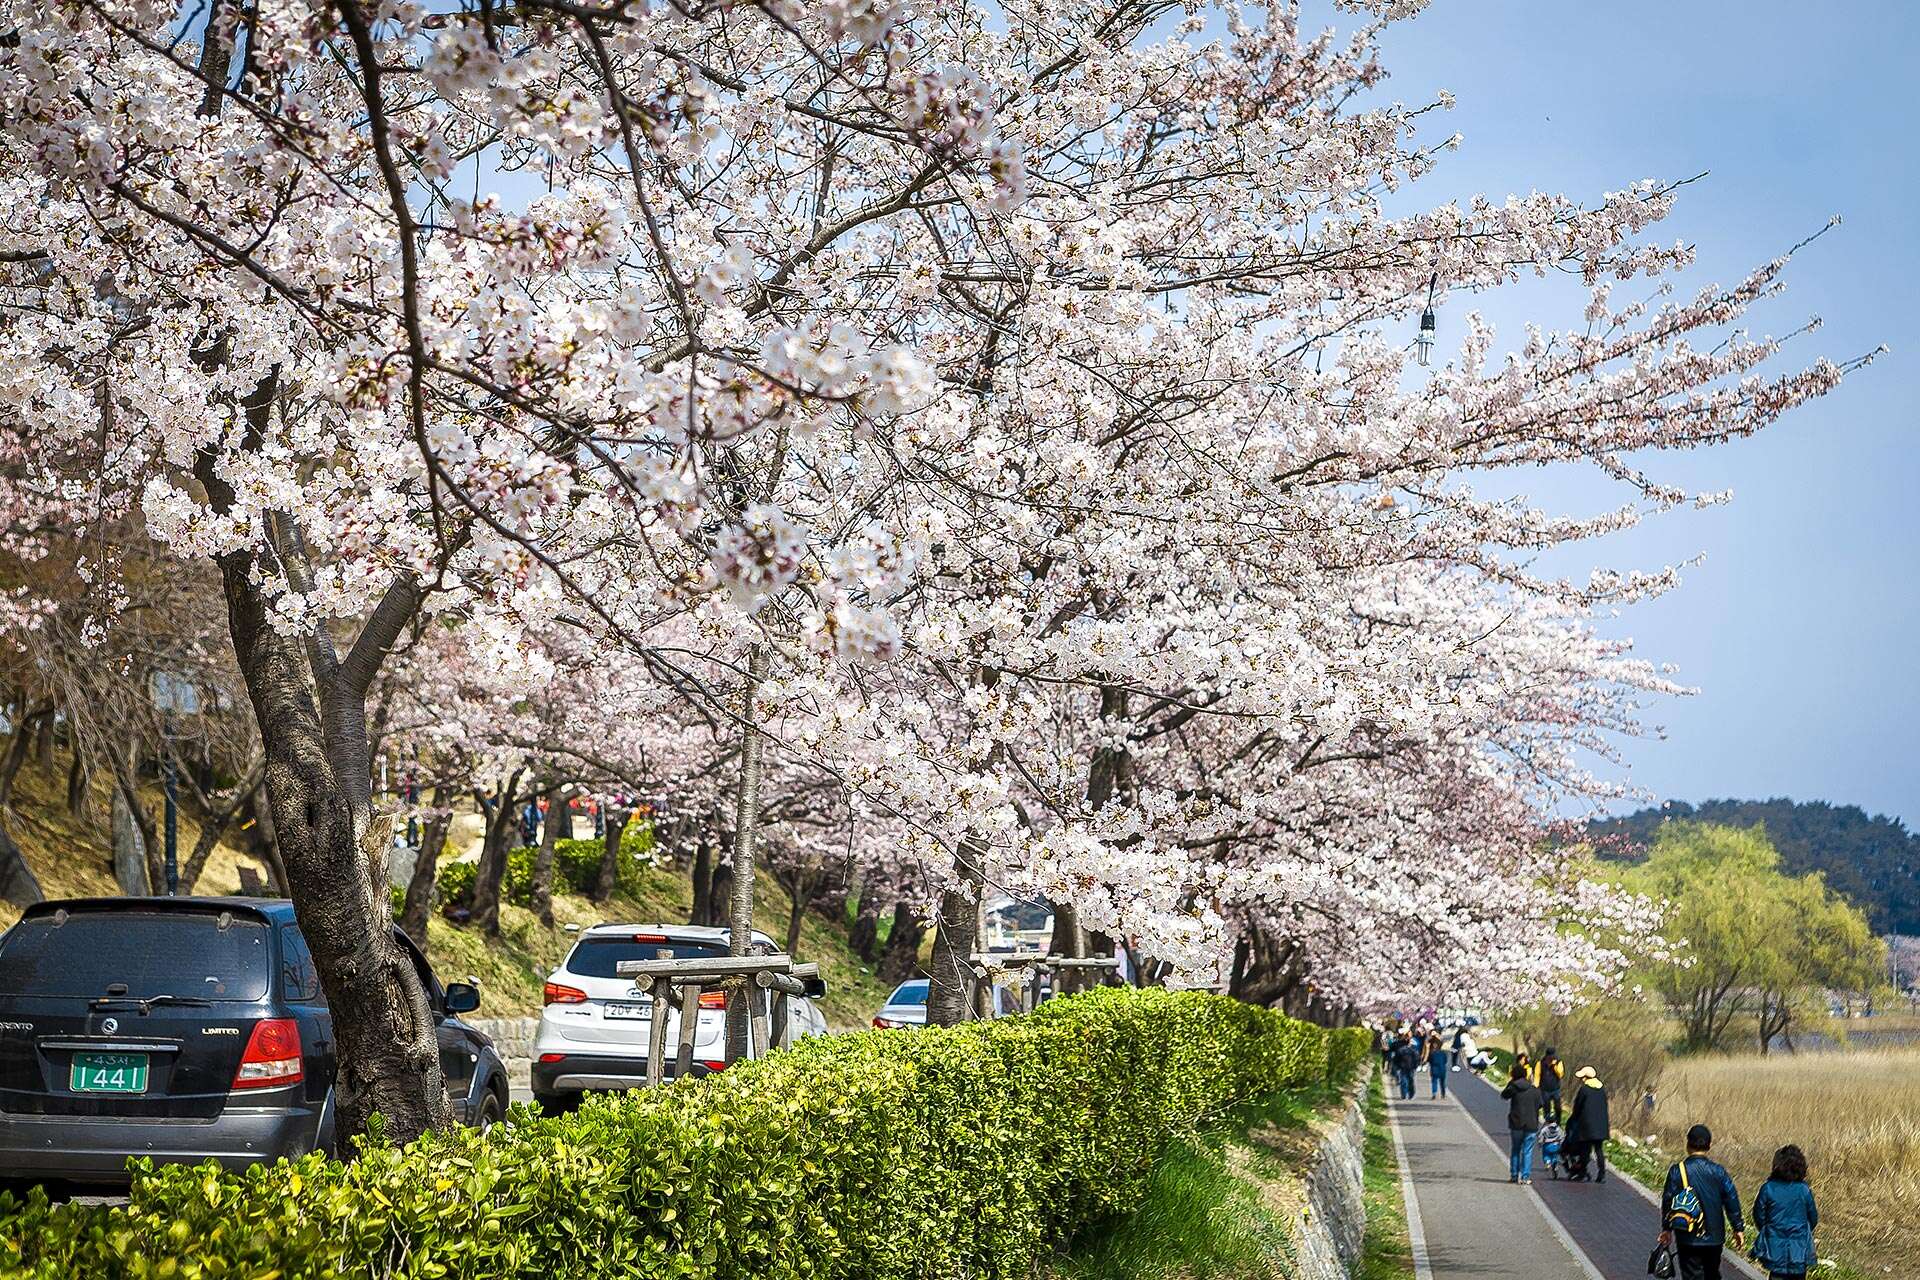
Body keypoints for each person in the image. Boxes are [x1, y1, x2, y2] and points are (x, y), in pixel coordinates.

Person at [1661, 1124, 1745, 1280]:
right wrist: (1737, 1227)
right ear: (1709, 1145)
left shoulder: (1677, 1171)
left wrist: (1666, 1228)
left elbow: (1668, 1201)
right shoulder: (1718, 1171)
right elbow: (1731, 1198)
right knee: (1712, 1273)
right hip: (1714, 1236)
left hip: (1687, 1235)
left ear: (1687, 1144)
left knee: (1691, 1275)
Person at [1751, 1144, 1817, 1280]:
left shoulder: (1768, 1188)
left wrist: (1767, 1229)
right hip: (1799, 1249)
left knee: (1776, 1275)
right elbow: (1813, 1217)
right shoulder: (1804, 1190)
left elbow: (1758, 1214)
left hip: (1775, 1247)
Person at [1563, 1065, 1610, 1183]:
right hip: (1601, 1124)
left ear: (1585, 1077)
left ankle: (1582, 1172)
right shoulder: (1601, 1088)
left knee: (1585, 1149)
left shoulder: (1584, 1089)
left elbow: (1577, 1107)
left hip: (1586, 1125)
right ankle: (1602, 1174)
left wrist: (1573, 1120)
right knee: (1599, 1149)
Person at [1501, 1063, 1543, 1183]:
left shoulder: (1513, 1088)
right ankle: (1525, 1176)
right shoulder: (1534, 1090)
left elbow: (1504, 1095)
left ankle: (1514, 1175)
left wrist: (1510, 1083)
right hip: (1531, 1123)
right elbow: (1541, 1104)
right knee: (1528, 1150)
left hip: (1516, 1123)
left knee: (1515, 1150)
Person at [1536, 1046, 1566, 1123]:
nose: (1551, 1059)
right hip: (1544, 1089)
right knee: (1546, 1107)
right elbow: (1537, 1075)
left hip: (1555, 1089)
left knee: (1558, 1107)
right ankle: (1547, 1122)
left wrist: (1554, 1066)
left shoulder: (1559, 1062)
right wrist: (1536, 1087)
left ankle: (1558, 1122)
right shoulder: (1540, 1063)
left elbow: (1560, 1074)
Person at [1390, 1033, 1419, 1100]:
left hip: (1403, 1068)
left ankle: (1404, 1095)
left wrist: (1397, 1066)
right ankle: (1410, 1094)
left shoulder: (1402, 1050)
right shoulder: (1413, 1051)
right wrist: (1415, 1066)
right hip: (1410, 1068)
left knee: (1404, 1081)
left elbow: (1396, 1059)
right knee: (1410, 1081)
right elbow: (1417, 1059)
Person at [1428, 1033, 1451, 1098]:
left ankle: (1434, 1093)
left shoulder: (1432, 1053)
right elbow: (1445, 1061)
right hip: (1442, 1069)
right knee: (1442, 1083)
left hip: (1434, 1069)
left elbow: (1429, 1061)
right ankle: (1443, 1094)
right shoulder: (1443, 1053)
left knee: (1434, 1081)